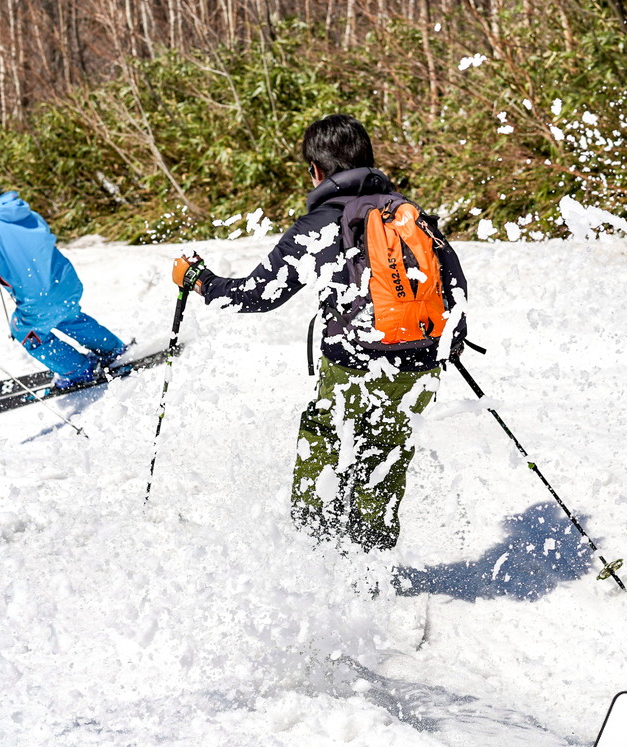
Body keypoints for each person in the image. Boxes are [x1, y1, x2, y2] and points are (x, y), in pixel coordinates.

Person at [171, 114, 467, 554]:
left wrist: (199, 279)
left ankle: (315, 553)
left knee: (324, 439)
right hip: (421, 361)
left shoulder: (319, 226)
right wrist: (447, 345)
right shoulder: (408, 215)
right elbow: (454, 286)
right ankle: (372, 563)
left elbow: (256, 295)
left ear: (316, 170)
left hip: (352, 363)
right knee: (384, 455)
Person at [0, 164, 126, 388]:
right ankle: (113, 349)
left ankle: (78, 370)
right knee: (68, 316)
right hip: (65, 283)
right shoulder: (27, 213)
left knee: (26, 330)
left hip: (39, 298)